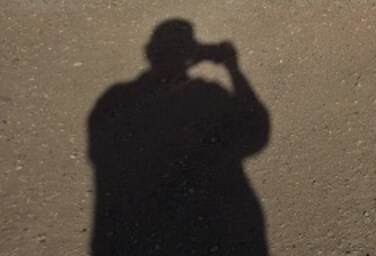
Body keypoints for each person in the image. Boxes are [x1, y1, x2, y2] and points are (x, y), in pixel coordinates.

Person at [88, 19, 270, 255]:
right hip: (215, 232)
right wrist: (232, 67)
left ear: (149, 53)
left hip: (136, 237)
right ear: (192, 55)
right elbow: (255, 133)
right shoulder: (204, 96)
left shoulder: (112, 102)